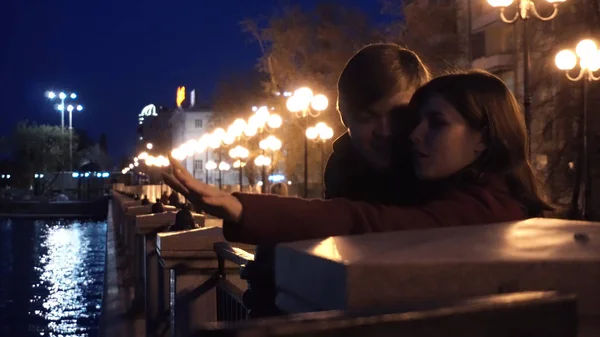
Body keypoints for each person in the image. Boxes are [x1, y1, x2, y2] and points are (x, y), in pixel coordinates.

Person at [163, 70, 553, 245]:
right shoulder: (476, 195)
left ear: (484, 137)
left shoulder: (482, 209)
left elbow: (364, 220)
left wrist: (241, 208)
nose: (412, 135)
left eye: (435, 123)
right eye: (416, 121)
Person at [325, 43, 431, 204]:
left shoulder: (443, 170)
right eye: (368, 117)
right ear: (345, 118)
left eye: (400, 115)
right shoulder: (341, 169)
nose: (385, 131)